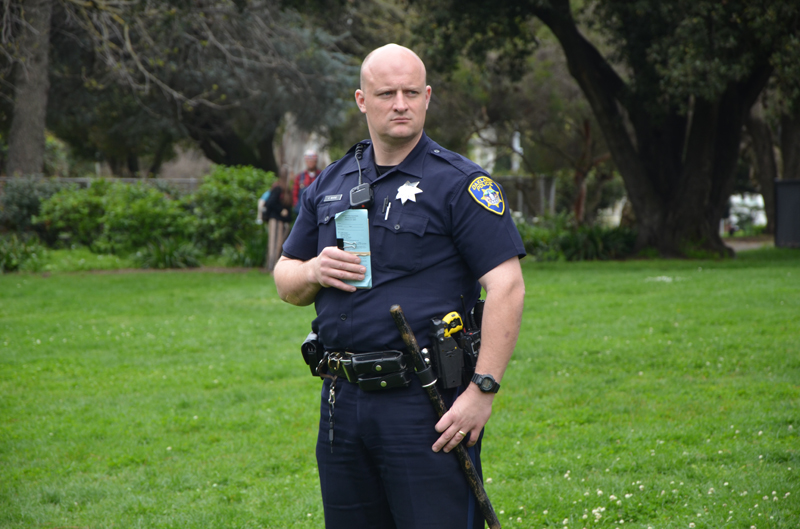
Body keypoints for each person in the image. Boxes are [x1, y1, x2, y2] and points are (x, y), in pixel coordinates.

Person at [274, 43, 525, 529]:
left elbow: (507, 286)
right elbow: (285, 276)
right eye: (386, 93)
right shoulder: (330, 183)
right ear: (362, 100)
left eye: (411, 92)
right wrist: (313, 272)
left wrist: (482, 391)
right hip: (341, 400)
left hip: (425, 403)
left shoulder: (460, 184)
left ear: (427, 97)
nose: (400, 104)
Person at [264, 168, 293, 272]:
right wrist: (281, 210)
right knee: (274, 244)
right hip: (276, 220)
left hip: (283, 221)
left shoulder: (287, 190)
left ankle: (275, 266)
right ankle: (271, 267)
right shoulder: (278, 188)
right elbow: (269, 202)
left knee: (280, 244)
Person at [292, 149, 320, 214]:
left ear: (316, 161)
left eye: (312, 160)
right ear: (306, 161)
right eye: (308, 161)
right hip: (301, 210)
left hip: (317, 209)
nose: (310, 162)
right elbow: (295, 193)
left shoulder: (321, 176)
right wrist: (296, 205)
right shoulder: (299, 177)